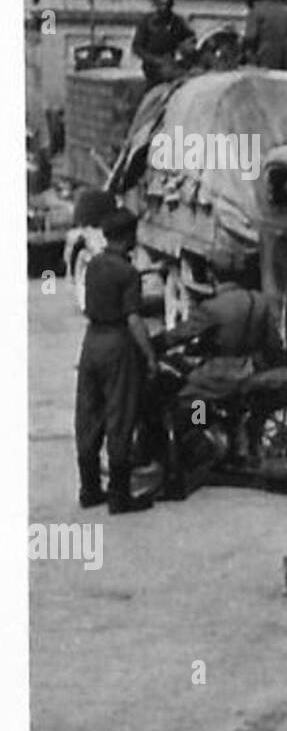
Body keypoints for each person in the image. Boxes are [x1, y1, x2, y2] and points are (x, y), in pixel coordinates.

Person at [75, 209, 157, 514]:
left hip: (91, 342)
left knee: (88, 414)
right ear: (129, 236)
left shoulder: (94, 264)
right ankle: (120, 497)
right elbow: (134, 320)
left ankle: (89, 489)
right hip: (116, 344)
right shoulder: (127, 273)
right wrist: (150, 357)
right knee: (119, 418)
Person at [131, 0, 195, 88]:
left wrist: (186, 47)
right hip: (152, 67)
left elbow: (190, 38)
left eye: (168, 5)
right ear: (156, 4)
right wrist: (155, 60)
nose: (165, 8)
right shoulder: (147, 22)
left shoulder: (177, 22)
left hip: (171, 63)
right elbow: (137, 47)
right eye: (162, 4)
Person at [243, 0, 287, 69]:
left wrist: (249, 55)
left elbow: (249, 37)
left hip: (263, 55)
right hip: (285, 56)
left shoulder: (256, 11)